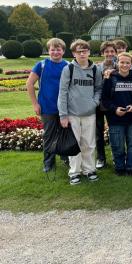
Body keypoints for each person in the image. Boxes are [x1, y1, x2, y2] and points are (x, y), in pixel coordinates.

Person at [58, 39, 103, 185]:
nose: (82, 54)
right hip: (72, 113)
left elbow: (98, 89)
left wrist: (94, 102)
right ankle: (74, 172)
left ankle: (89, 170)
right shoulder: (68, 69)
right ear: (74, 53)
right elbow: (62, 92)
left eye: (85, 51)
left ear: (89, 52)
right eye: (79, 51)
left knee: (89, 143)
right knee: (75, 144)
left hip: (89, 112)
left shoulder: (95, 69)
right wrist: (63, 115)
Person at [26, 38, 69, 173]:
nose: (55, 52)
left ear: (63, 51)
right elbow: (29, 84)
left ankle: (67, 158)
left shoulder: (68, 65)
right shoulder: (41, 65)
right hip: (47, 106)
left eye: (58, 49)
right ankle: (49, 163)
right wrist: (35, 104)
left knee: (65, 134)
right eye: (52, 49)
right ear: (48, 51)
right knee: (49, 136)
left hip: (65, 108)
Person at [101, 52, 132, 176]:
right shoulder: (110, 78)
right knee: (118, 146)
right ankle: (119, 168)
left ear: (131, 64)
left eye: (128, 63)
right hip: (115, 118)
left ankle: (130, 167)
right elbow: (105, 99)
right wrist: (115, 109)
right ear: (117, 63)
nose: (124, 65)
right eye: (122, 62)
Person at [95, 40, 117, 169]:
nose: (109, 53)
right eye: (107, 51)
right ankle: (101, 158)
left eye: (112, 51)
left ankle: (116, 156)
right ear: (103, 53)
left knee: (114, 131)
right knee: (98, 132)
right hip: (99, 104)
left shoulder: (119, 66)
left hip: (113, 104)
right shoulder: (97, 68)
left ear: (115, 52)